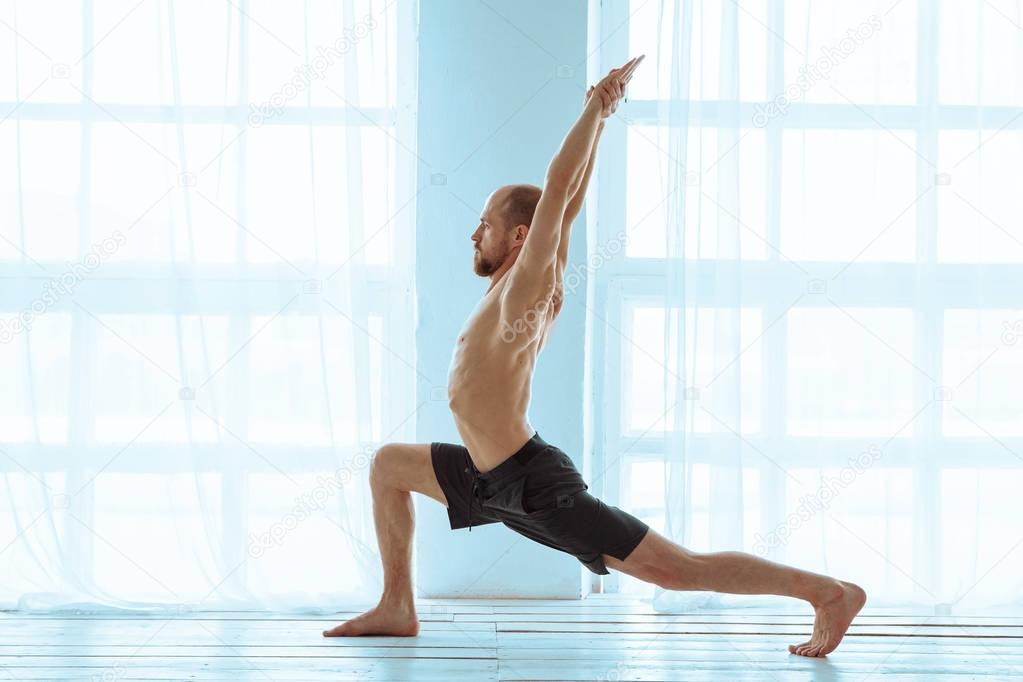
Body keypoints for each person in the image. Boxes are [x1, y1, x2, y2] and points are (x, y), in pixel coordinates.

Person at [324, 56, 865, 658]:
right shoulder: (510, 284)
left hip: (530, 485)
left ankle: (826, 591)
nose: (474, 234)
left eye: (484, 224)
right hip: (486, 477)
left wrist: (592, 107)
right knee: (388, 466)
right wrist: (602, 121)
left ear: (522, 237)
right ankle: (398, 605)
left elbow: (557, 193)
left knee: (675, 569)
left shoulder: (526, 289)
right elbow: (569, 201)